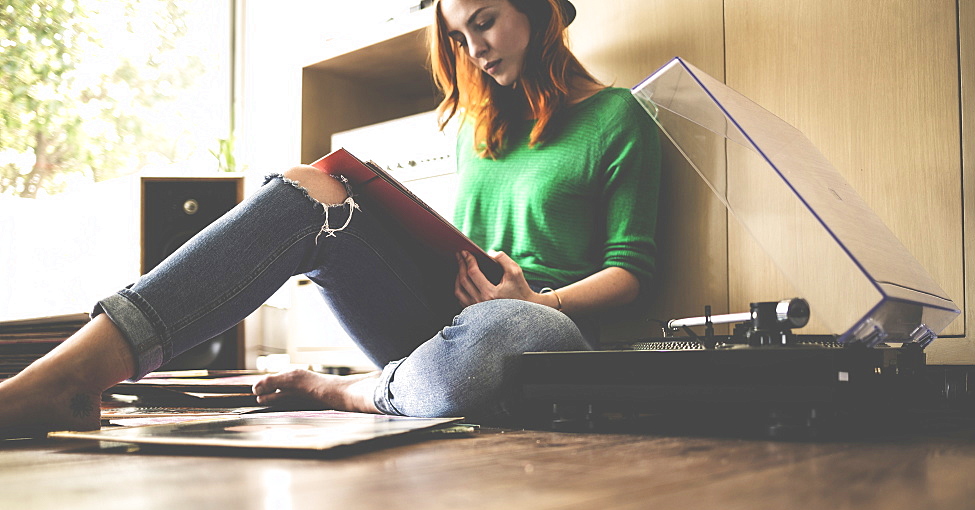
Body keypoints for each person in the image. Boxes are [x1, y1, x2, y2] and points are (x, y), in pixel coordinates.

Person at [0, 0, 661, 435]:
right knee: (306, 187)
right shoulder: (476, 131)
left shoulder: (616, 116)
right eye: (460, 37)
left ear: (540, 9)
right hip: (449, 327)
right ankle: (71, 375)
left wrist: (537, 296)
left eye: (484, 21)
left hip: (540, 333)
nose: (475, 49)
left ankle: (345, 391)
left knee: (504, 328)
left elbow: (632, 272)